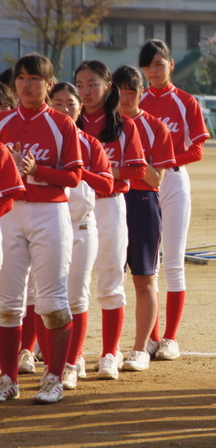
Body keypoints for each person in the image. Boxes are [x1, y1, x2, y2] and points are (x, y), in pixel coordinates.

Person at [0, 54, 82, 404]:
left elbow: (74, 176)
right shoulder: (3, 121)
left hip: (50, 212)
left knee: (51, 302)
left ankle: (54, 377)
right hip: (10, 213)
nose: (26, 84)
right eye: (21, 78)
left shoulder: (61, 124)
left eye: (35, 78)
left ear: (49, 84)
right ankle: (7, 378)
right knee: (7, 303)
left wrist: (36, 170)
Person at [139, 39, 210, 361]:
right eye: (148, 66)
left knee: (173, 261)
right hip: (144, 184)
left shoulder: (185, 101)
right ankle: (151, 338)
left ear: (171, 64)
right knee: (147, 264)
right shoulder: (138, 102)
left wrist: (163, 162)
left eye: (159, 64)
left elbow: (196, 150)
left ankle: (170, 338)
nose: (153, 71)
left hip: (174, 181)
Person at [76, 60, 147, 380]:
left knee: (110, 280)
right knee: (73, 283)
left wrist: (102, 171)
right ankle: (74, 355)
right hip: (74, 207)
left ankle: (109, 353)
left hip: (109, 204)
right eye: (80, 85)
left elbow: (138, 170)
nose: (86, 91)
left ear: (108, 86)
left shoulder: (124, 125)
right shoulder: (71, 123)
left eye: (92, 84)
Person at [48, 82, 114, 391]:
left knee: (77, 295)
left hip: (83, 225)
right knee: (46, 297)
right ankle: (51, 363)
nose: (64, 109)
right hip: (49, 223)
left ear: (81, 108)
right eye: (57, 103)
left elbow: (107, 184)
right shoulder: (44, 139)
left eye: (70, 103)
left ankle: (72, 363)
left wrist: (77, 171)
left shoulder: (89, 143)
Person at [114, 65, 176, 373]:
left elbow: (155, 178)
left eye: (131, 92)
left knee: (144, 276)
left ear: (142, 92)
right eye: (119, 92)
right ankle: (109, 350)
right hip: (108, 201)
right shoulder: (102, 124)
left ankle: (140, 349)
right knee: (110, 279)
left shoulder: (154, 127)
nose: (125, 98)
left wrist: (130, 162)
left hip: (141, 202)